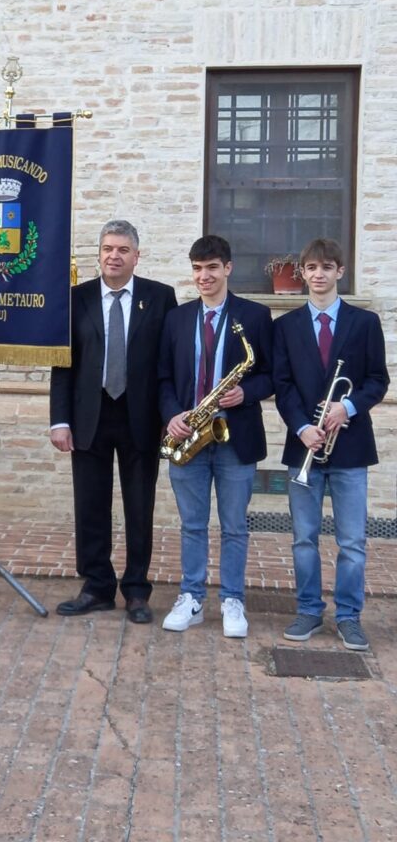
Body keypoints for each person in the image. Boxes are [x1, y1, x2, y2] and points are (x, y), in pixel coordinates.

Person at [50, 219, 177, 623]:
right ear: (99, 253)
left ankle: (137, 591)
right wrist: (59, 420)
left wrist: (168, 414)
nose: (114, 256)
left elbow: (167, 363)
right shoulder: (77, 299)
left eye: (122, 249)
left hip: (142, 418)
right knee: (90, 506)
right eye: (107, 248)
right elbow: (63, 366)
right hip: (90, 417)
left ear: (136, 256)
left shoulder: (160, 298)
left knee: (139, 507)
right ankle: (97, 586)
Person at [273, 238, 389, 651]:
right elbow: (281, 385)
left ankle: (348, 616)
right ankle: (308, 610)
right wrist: (303, 426)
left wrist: (349, 407)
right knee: (304, 537)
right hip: (303, 446)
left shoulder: (365, 323)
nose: (318, 274)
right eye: (311, 268)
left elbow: (379, 379)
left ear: (341, 272)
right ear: (302, 274)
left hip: (351, 447)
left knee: (353, 541)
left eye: (327, 267)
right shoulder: (284, 327)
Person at [158, 235, 274, 638]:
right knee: (192, 525)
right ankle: (191, 597)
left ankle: (232, 600)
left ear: (228, 268)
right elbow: (163, 377)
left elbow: (272, 374)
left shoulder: (255, 316)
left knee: (234, 526)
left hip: (234, 433)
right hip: (189, 434)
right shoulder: (176, 318)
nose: (203, 276)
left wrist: (248, 392)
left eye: (211, 268)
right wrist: (172, 414)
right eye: (197, 268)